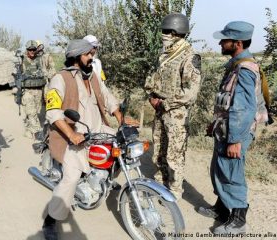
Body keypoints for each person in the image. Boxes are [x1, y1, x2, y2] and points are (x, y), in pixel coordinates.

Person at [42, 39, 129, 240]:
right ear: (76, 56)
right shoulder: (60, 79)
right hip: (75, 137)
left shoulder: (92, 76)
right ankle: (51, 219)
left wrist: (121, 118)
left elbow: (107, 98)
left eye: (92, 54)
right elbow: (53, 112)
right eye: (88, 54)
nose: (92, 57)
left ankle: (102, 180)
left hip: (98, 130)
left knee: (123, 151)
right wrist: (72, 135)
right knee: (71, 177)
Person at [197, 21, 268, 234]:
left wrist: (235, 140)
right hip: (227, 129)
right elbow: (228, 102)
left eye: (224, 40)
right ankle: (221, 210)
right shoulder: (237, 65)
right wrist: (215, 123)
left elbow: (244, 109)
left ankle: (238, 221)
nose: (220, 42)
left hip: (236, 132)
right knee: (221, 169)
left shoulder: (245, 69)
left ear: (236, 43)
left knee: (231, 173)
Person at [144, 13, 201, 199]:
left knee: (175, 155)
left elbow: (191, 92)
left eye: (167, 32)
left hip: (175, 114)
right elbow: (152, 79)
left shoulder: (189, 57)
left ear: (177, 33)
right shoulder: (163, 56)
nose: (163, 35)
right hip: (159, 111)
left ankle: (175, 191)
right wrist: (151, 96)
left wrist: (166, 103)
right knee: (159, 150)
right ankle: (160, 184)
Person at [21, 40, 56, 139]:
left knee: (34, 112)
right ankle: (37, 133)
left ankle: (28, 130)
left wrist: (46, 75)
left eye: (33, 49)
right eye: (30, 50)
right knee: (31, 111)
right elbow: (16, 74)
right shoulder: (22, 59)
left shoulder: (41, 59)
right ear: (27, 50)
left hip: (39, 89)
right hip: (27, 90)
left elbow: (52, 70)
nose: (32, 51)